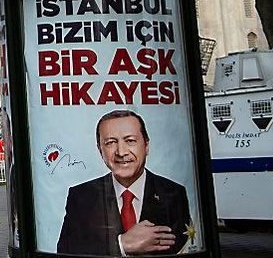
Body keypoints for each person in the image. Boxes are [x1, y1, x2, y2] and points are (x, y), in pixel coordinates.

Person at [56, 109, 191, 256]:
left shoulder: (174, 193)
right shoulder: (81, 196)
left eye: (130, 141)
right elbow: (65, 252)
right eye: (110, 143)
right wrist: (121, 245)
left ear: (146, 146)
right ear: (100, 150)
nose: (121, 152)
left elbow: (182, 247)